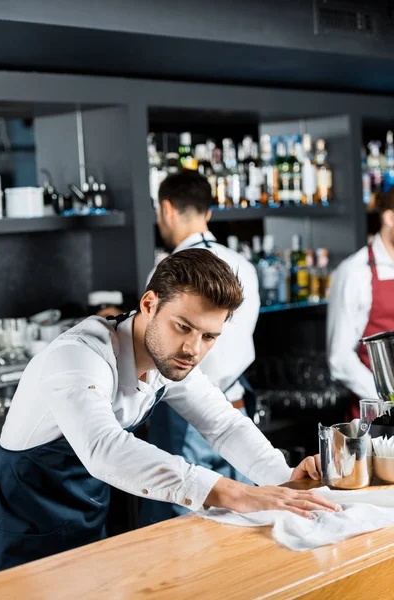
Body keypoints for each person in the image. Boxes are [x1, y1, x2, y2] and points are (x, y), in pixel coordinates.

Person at [0, 250, 339, 573]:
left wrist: (285, 479)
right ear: (149, 304)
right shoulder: (78, 356)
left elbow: (224, 426)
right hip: (24, 519)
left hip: (86, 511)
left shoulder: (169, 359)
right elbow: (103, 448)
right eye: (183, 327)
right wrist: (235, 493)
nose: (193, 349)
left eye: (209, 336)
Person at [141, 170, 260, 526]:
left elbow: (153, 347)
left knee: (184, 525)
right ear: (208, 212)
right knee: (241, 521)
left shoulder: (166, 270)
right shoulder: (244, 266)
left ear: (166, 209)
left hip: (184, 415)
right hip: (236, 405)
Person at [327, 188, 394, 418]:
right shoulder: (354, 272)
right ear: (389, 217)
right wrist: (389, 397)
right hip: (376, 419)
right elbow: (340, 358)